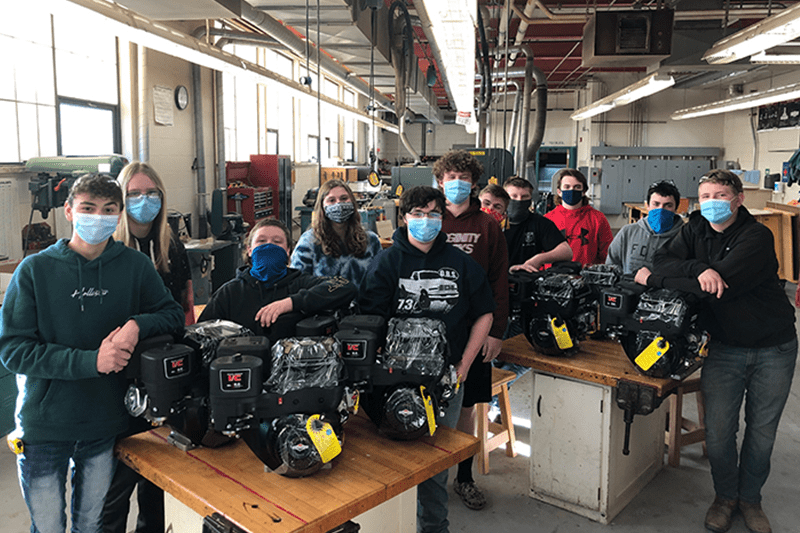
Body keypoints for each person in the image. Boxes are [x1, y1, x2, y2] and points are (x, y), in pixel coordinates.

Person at [0, 174, 184, 533]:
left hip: (104, 423)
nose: (98, 217)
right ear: (69, 211)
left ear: (118, 216)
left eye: (108, 210)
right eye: (88, 208)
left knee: (92, 524)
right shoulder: (35, 271)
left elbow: (172, 314)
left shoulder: (134, 266)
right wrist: (91, 361)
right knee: (49, 526)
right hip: (45, 425)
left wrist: (137, 323)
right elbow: (14, 350)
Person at [645, 169, 796, 533]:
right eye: (706, 196)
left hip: (772, 347)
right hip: (724, 347)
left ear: (739, 199)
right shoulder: (695, 227)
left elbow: (716, 287)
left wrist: (653, 279)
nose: (712, 203)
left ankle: (751, 500)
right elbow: (664, 258)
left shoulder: (756, 236)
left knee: (761, 432)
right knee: (719, 432)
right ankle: (726, 498)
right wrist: (698, 268)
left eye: (721, 195)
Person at [359, 185, 494, 533]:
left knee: (435, 463)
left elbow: (484, 314)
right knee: (390, 459)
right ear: (404, 218)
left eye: (434, 213)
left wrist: (464, 364)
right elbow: (369, 319)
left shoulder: (461, 263)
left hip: (445, 381)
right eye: (418, 213)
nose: (426, 220)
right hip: (392, 381)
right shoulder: (387, 262)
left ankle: (435, 527)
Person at [102, 162, 196, 533]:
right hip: (120, 375)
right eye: (135, 194)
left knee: (157, 481)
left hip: (164, 374)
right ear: (122, 201)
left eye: (151, 193)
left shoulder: (171, 245)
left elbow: (184, 308)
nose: (144, 200)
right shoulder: (108, 250)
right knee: (117, 482)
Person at [433, 149, 508, 511]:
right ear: (439, 181)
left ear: (475, 183)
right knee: (428, 399)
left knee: (466, 406)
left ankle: (463, 477)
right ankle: (429, 477)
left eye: (464, 178)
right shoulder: (429, 220)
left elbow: (499, 280)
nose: (458, 183)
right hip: (432, 331)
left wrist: (497, 331)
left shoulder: (489, 225)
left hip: (475, 329)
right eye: (451, 177)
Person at [199, 218, 357, 335]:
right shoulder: (230, 293)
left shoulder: (300, 283)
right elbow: (202, 333)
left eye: (277, 241)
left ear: (288, 250)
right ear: (249, 250)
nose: (269, 246)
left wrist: (292, 303)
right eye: (261, 241)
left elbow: (343, 285)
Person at [290, 179, 382, 294]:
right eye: (331, 200)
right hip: (322, 310)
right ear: (322, 206)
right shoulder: (309, 242)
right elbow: (297, 284)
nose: (339, 204)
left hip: (363, 309)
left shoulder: (371, 241)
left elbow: (379, 281)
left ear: (352, 202)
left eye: (344, 199)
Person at [606, 180, 683, 285]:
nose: (660, 210)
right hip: (628, 293)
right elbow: (611, 266)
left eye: (668, 205)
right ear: (647, 206)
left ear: (676, 209)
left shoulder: (684, 237)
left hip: (664, 298)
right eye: (656, 204)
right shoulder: (628, 232)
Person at [503, 177, 572, 275]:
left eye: (524, 196)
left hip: (526, 280)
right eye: (513, 196)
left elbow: (566, 252)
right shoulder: (493, 223)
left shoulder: (539, 223)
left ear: (530, 199)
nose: (519, 200)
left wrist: (538, 259)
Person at [545, 168, 613, 266]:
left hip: (586, 278)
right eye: (567, 187)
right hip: (552, 278)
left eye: (577, 187)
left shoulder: (597, 218)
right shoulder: (548, 220)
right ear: (559, 191)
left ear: (583, 191)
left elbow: (607, 254)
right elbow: (540, 254)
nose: (572, 190)